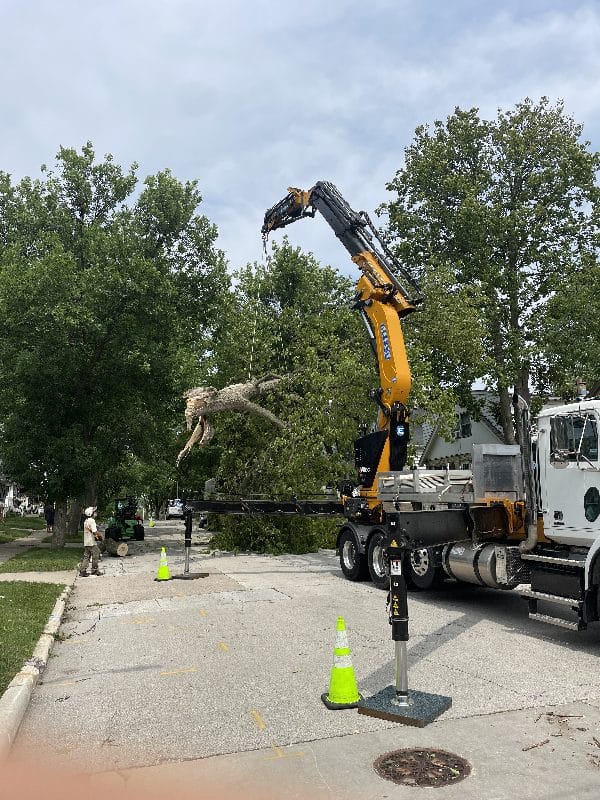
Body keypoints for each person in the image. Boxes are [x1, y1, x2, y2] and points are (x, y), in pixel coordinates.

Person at [80, 506, 104, 577]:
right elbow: (94, 531)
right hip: (91, 542)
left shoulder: (86, 521)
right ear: (91, 513)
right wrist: (101, 535)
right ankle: (94, 570)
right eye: (94, 512)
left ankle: (82, 570)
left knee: (86, 556)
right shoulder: (92, 521)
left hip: (86, 541)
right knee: (96, 554)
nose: (96, 513)